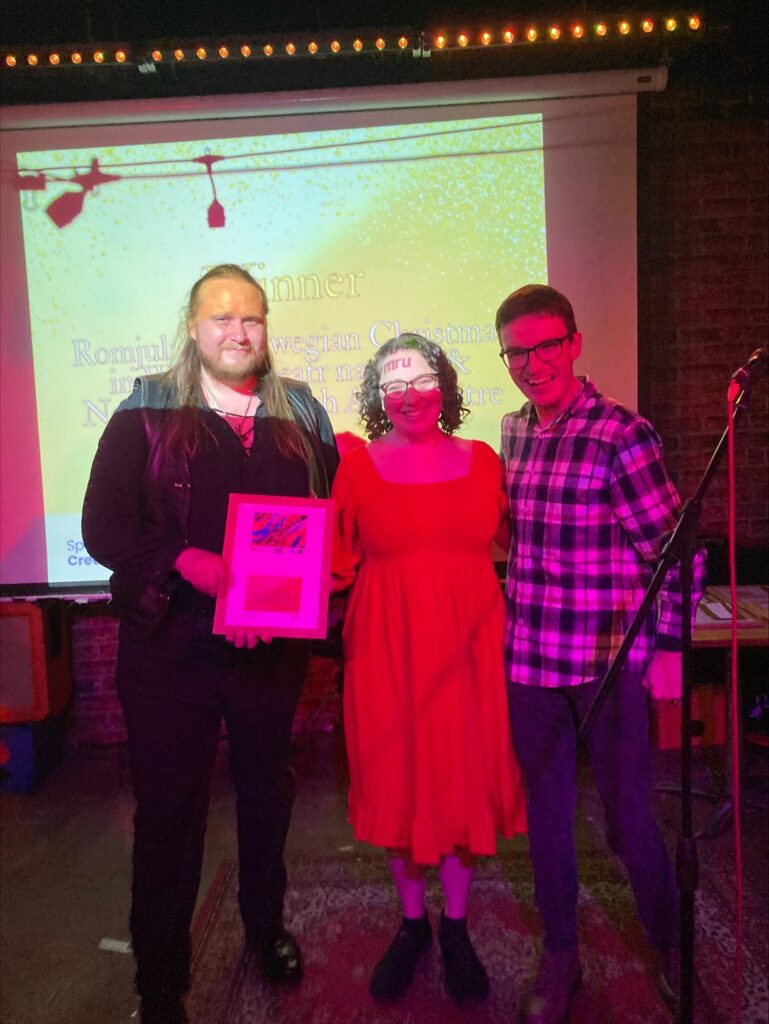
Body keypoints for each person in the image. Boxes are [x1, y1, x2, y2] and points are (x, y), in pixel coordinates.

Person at [82, 264, 339, 1024]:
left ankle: (265, 929)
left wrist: (280, 601)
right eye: (221, 317)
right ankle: (160, 982)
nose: (237, 331)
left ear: (266, 327)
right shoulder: (145, 411)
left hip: (269, 650)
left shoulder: (303, 412)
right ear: (193, 329)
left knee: (267, 795)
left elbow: (321, 522)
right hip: (169, 650)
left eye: (250, 318)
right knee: (169, 814)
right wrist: (180, 559)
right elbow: (104, 529)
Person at [496, 284, 705, 1024]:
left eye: (545, 345)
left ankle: (669, 940)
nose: (532, 363)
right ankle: (562, 955)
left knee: (629, 820)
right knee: (546, 823)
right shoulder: (512, 431)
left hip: (607, 666)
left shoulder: (622, 434)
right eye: (516, 352)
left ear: (574, 343)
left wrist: (669, 648)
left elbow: (678, 554)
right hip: (529, 663)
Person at [331, 333, 526, 1005]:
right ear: (377, 396)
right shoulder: (355, 468)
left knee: (460, 779)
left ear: (443, 385)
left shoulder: (485, 461)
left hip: (470, 650)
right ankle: (412, 924)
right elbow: (330, 562)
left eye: (420, 380)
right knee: (401, 781)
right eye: (393, 385)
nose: (408, 396)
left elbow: (528, 543)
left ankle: (456, 928)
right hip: (385, 651)